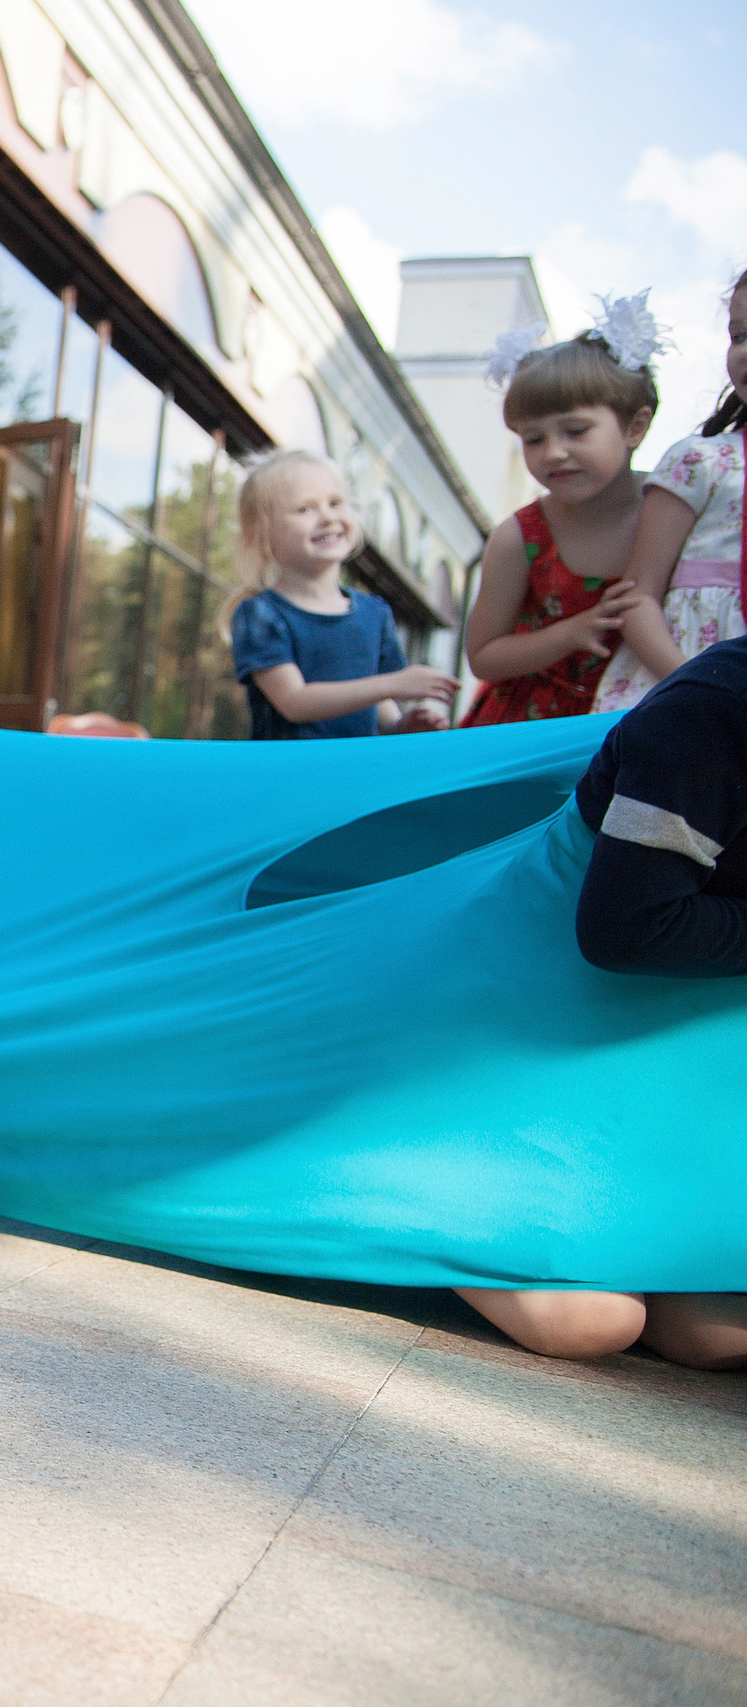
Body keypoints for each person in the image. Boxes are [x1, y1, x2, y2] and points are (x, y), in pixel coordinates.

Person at [449, 634, 747, 1373]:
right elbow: (625, 926)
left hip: (662, 1075)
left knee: (716, 1332)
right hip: (527, 1048)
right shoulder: (715, 716)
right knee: (591, 1319)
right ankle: (418, 1213)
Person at [458, 331, 653, 724]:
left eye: (576, 431)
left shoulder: (675, 508)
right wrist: (570, 634)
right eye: (533, 438)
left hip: (640, 722)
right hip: (529, 735)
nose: (553, 452)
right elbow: (482, 656)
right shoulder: (518, 537)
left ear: (635, 427)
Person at [592, 276, 747, 713]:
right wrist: (698, 688)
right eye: (740, 335)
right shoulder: (698, 462)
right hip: (681, 696)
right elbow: (638, 596)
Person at [226, 449, 457, 739]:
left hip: (359, 778)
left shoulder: (375, 612)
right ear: (262, 536)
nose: (327, 517)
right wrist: (392, 683)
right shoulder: (260, 614)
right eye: (305, 509)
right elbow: (294, 702)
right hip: (291, 779)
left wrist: (403, 727)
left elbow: (380, 711)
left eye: (335, 503)